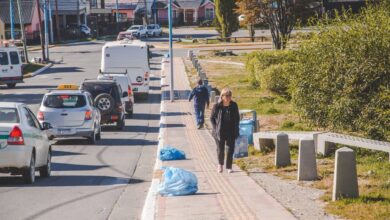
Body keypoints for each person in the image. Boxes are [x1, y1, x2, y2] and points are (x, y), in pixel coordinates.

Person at [210, 88, 240, 173]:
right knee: (220, 149)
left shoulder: (234, 105)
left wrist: (237, 128)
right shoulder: (217, 106)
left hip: (231, 130)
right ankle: (220, 165)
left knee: (231, 149)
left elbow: (237, 118)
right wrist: (215, 128)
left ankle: (229, 167)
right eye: (226, 95)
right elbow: (212, 118)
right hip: (219, 131)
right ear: (222, 96)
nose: (228, 97)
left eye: (229, 95)